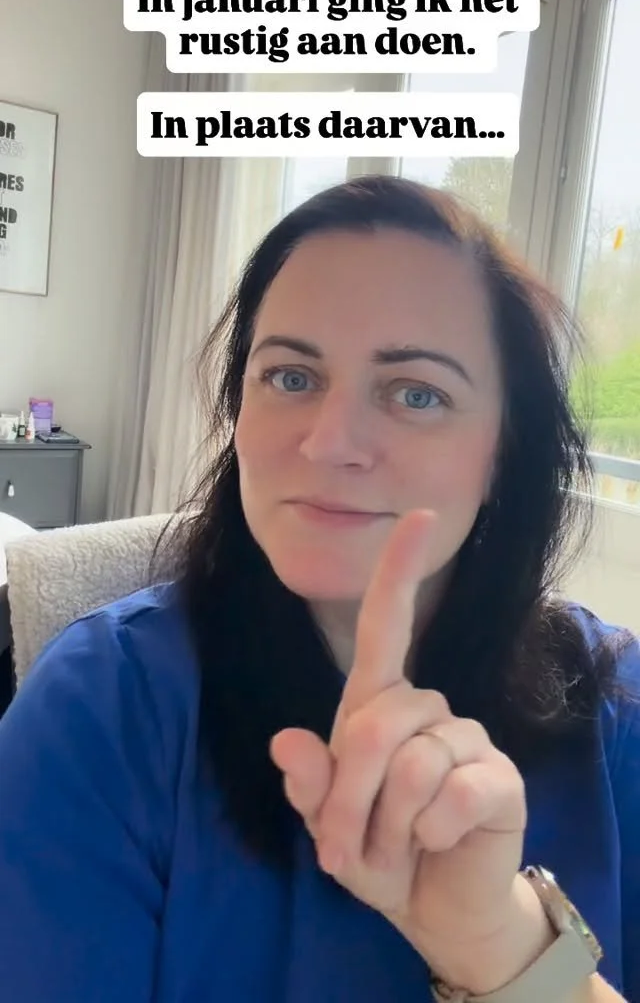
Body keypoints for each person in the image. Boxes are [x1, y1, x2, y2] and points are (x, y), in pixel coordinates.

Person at [0, 175, 637, 1003]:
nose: (331, 443)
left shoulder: (615, 715)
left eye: (417, 393)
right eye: (292, 377)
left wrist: (501, 946)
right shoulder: (99, 709)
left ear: (504, 454)